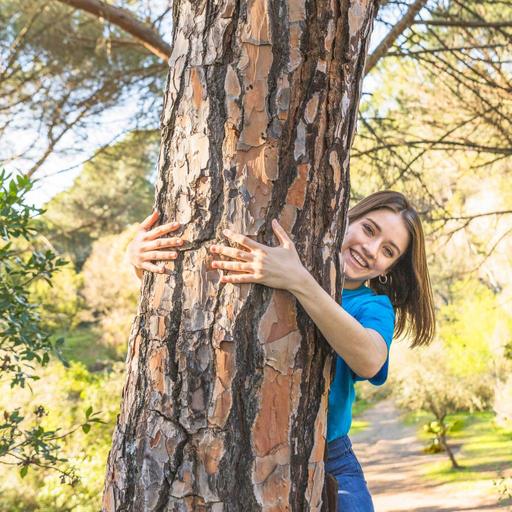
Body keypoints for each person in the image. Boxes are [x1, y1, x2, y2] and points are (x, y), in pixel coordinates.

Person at [127, 191, 435, 512]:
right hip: (221, 446)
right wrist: (141, 263)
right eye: (369, 229)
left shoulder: (372, 305)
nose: (371, 250)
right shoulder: (282, 257)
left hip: (328, 456)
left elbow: (370, 360)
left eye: (388, 251)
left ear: (388, 269)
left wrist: (299, 282)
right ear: (346, 218)